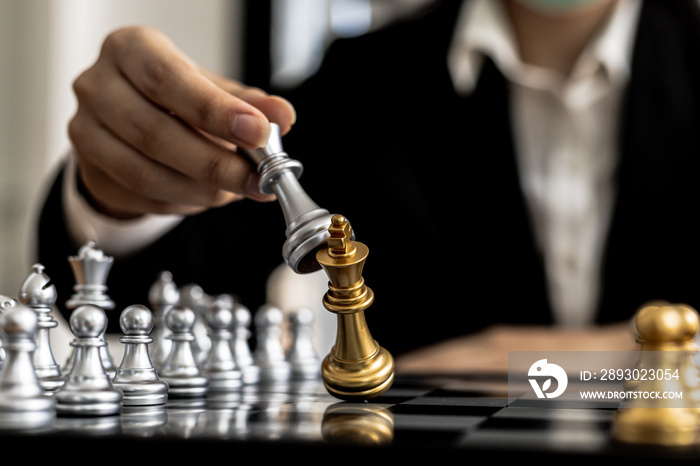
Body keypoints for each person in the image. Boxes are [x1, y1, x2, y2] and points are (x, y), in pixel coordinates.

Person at [36, 0, 700, 372]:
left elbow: (508, 366)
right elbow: (151, 287)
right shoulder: (363, 82)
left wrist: (507, 360)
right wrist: (119, 193)